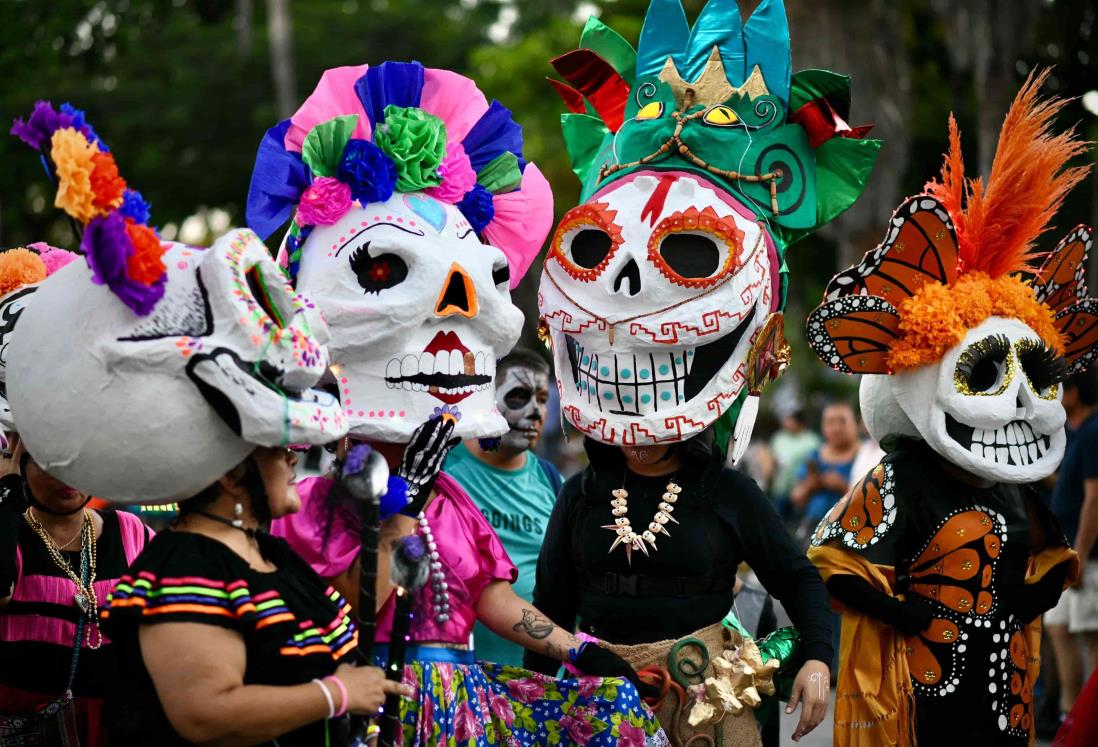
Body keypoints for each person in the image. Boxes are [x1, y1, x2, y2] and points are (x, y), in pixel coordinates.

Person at [250, 60, 669, 745]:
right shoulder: (317, 495)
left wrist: (580, 650)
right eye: (385, 270)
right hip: (377, 704)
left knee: (610, 717)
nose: (456, 312)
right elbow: (344, 619)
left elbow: (490, 599)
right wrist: (399, 507)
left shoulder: (451, 496)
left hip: (462, 703)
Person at [805, 71, 1087, 745]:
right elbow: (832, 559)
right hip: (919, 695)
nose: (1022, 398)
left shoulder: (1012, 484)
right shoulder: (901, 476)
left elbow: (1051, 563)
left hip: (1001, 690)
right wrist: (909, 613)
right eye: (988, 372)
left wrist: (1023, 600)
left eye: (1037, 375)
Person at [526, 433, 834, 745]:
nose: (637, 432)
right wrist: (535, 705)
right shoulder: (579, 493)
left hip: (707, 707)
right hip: (598, 702)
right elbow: (551, 605)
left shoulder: (729, 492)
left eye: (648, 416)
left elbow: (798, 579)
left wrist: (817, 659)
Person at [0, 436, 151, 747]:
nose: (67, 478)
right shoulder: (9, 533)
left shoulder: (130, 531)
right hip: (28, 728)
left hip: (118, 724)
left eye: (80, 464)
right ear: (21, 467)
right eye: (48, 465)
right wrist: (7, 495)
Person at [444, 347, 563, 667]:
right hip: (459, 675)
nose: (536, 412)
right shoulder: (441, 470)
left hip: (538, 682)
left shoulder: (552, 482)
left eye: (541, 398)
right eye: (518, 396)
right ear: (486, 401)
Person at [1046, 370, 1098, 717]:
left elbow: (1094, 499)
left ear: (1074, 393)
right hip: (1068, 555)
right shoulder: (1077, 433)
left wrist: (1079, 552)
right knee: (1059, 627)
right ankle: (1071, 715)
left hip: (1089, 558)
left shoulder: (1094, 432)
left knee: (1092, 637)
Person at [790, 403, 859, 532]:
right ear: (823, 427)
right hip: (814, 528)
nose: (837, 428)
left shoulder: (865, 455)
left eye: (843, 421)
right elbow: (796, 497)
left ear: (855, 424)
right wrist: (812, 485)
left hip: (852, 528)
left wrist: (843, 487)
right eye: (830, 422)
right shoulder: (814, 456)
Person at [769, 407, 821, 516]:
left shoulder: (812, 441)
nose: (785, 423)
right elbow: (771, 458)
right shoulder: (779, 438)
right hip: (780, 490)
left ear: (799, 422)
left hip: (801, 492)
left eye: (789, 419)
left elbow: (815, 466)